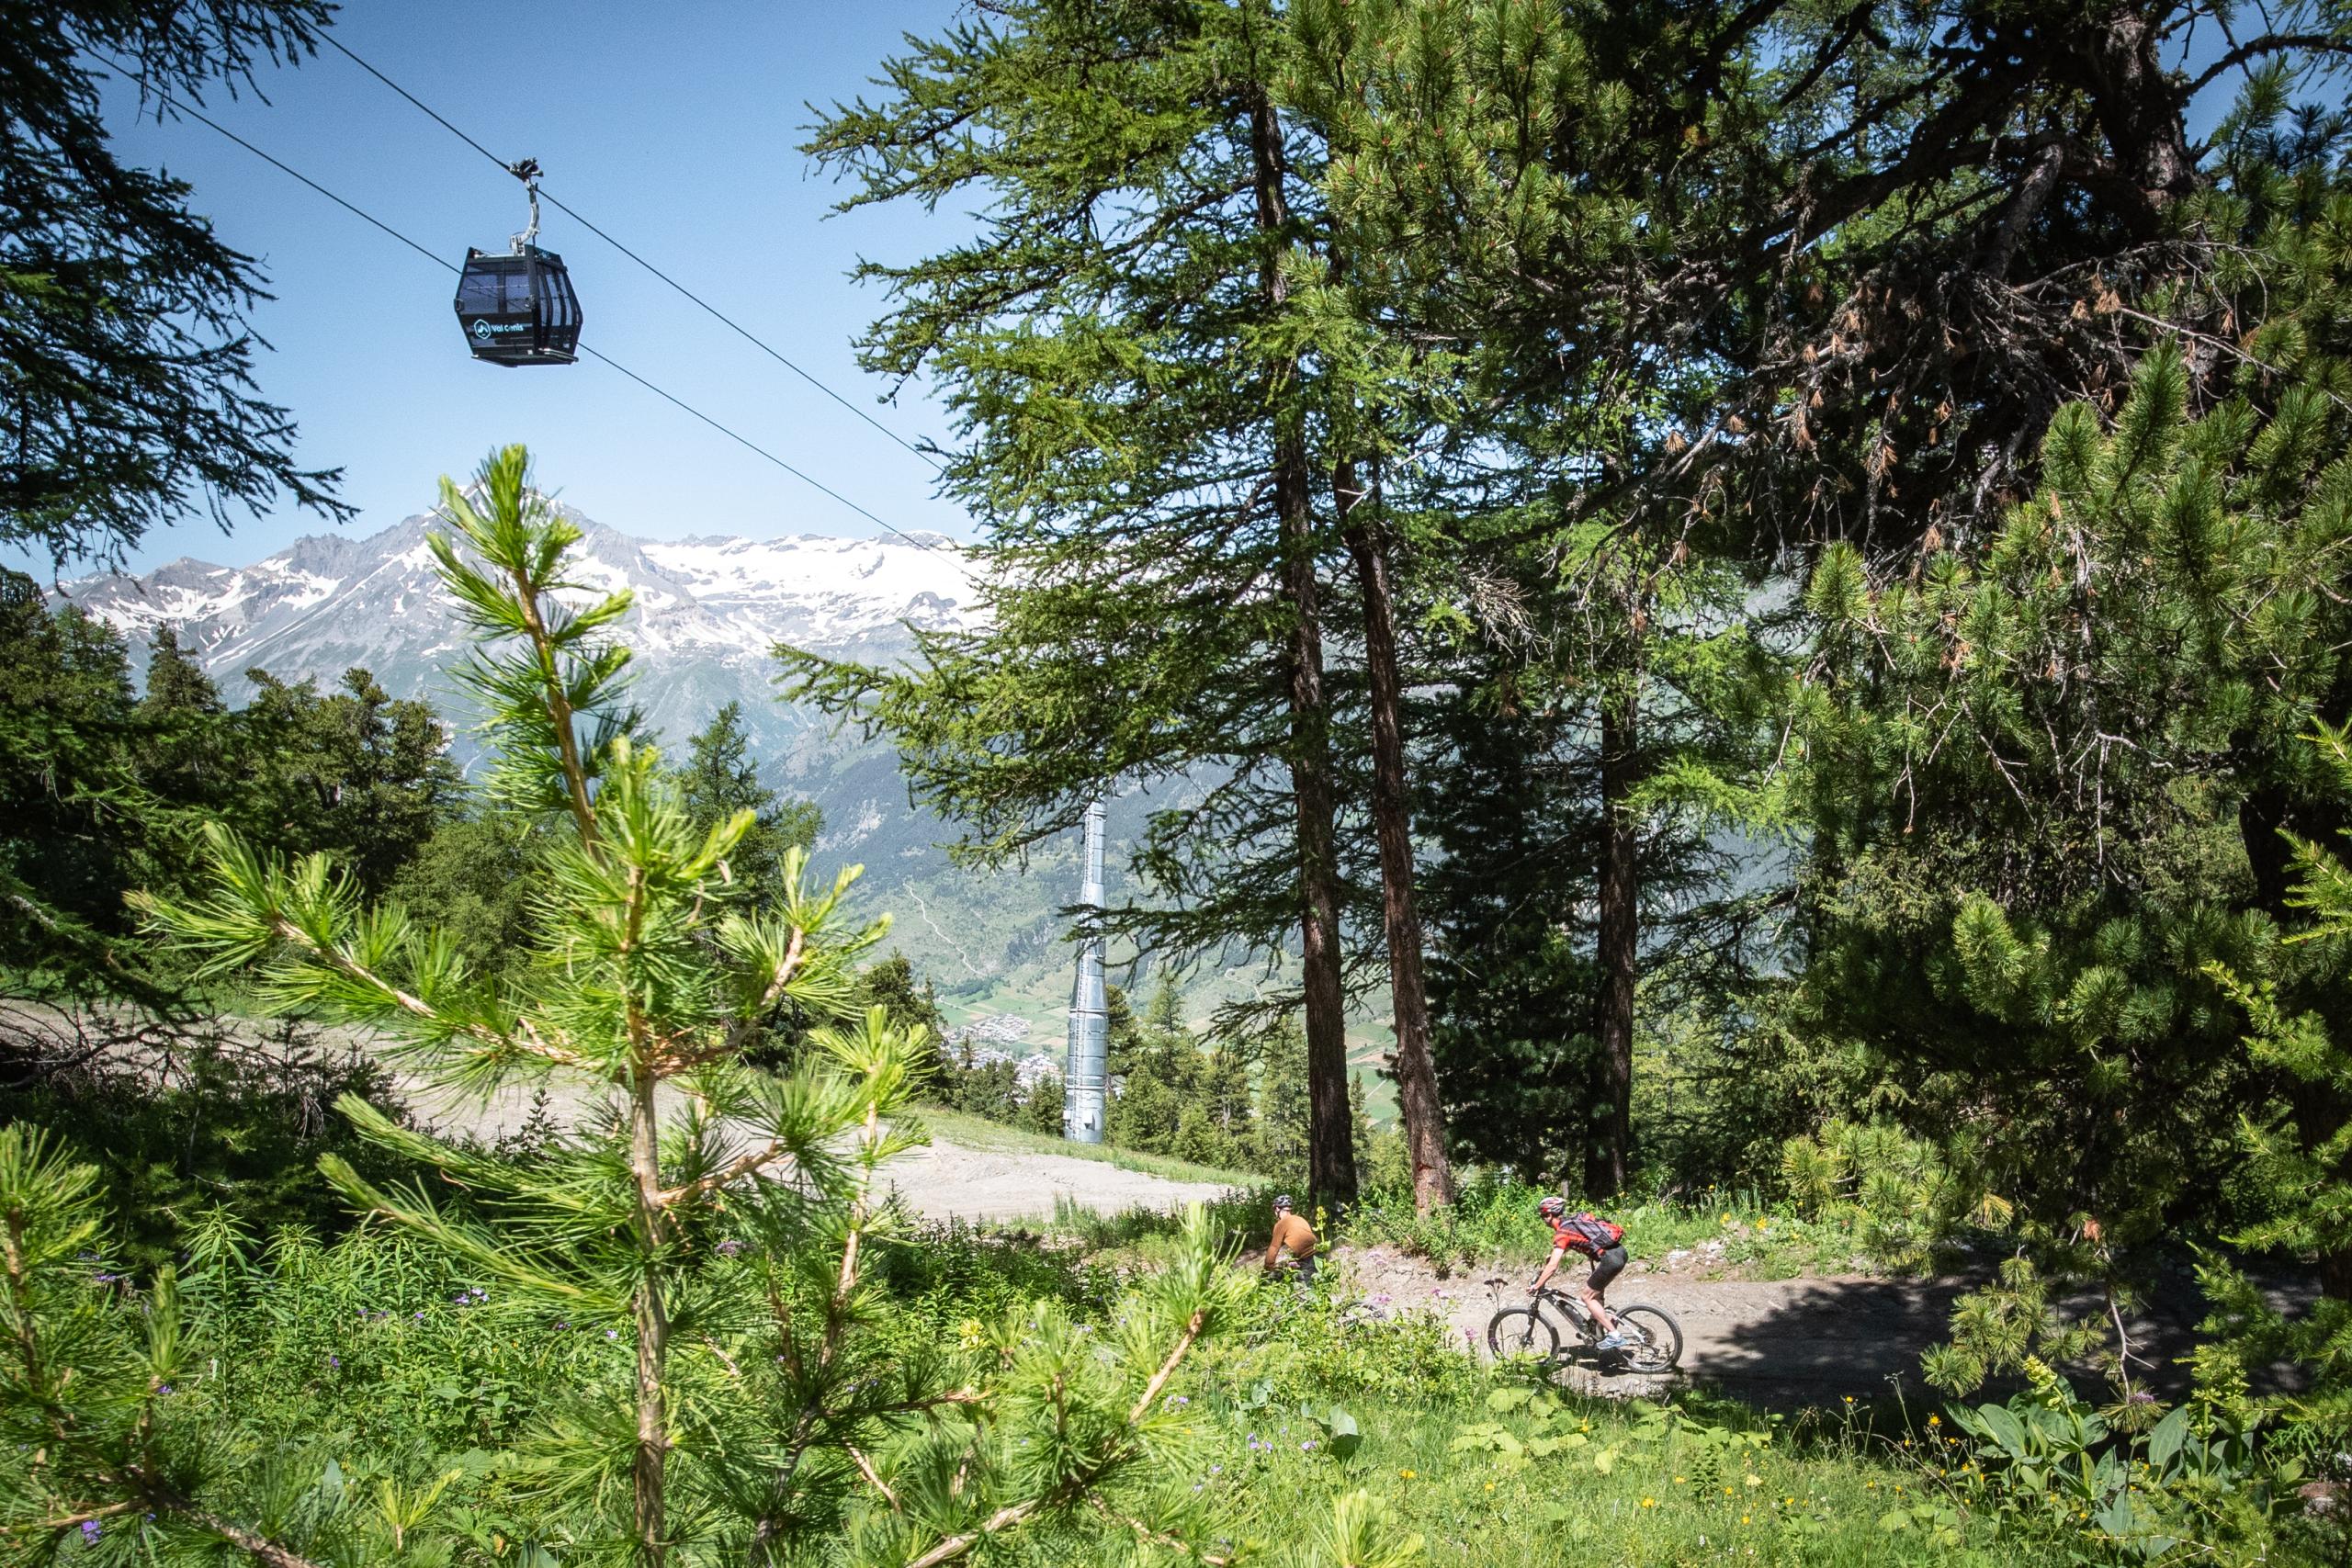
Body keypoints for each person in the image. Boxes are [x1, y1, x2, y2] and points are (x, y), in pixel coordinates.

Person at [1531, 1194, 1629, 1350]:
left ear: (1549, 1215)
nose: (1543, 1219)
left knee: (1587, 1297)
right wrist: (1553, 1255)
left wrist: (1537, 1285)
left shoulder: (1562, 1233)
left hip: (1610, 1261)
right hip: (1620, 1252)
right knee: (1595, 1295)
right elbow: (1578, 1240)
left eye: (1543, 1216)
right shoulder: (1572, 1223)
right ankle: (1599, 1326)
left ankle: (1614, 1335)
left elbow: (1553, 1266)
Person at [1261, 1193, 1317, 1283]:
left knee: (1306, 1290)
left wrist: (1266, 1270)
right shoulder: (1300, 1219)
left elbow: (1274, 1248)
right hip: (1318, 1255)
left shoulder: (1281, 1224)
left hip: (1307, 1260)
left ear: (1277, 1209)